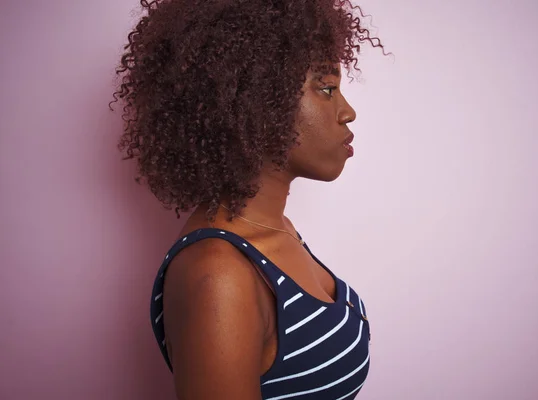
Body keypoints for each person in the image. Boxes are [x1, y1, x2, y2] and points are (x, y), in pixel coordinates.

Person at [110, 0, 386, 398]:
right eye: (326, 89)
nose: (348, 112)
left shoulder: (276, 228)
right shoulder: (219, 275)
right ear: (255, 102)